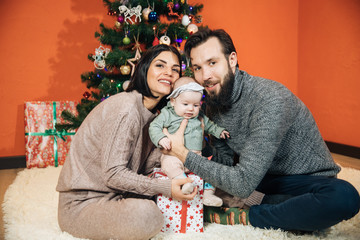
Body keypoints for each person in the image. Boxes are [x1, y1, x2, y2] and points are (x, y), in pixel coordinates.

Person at [161, 27, 360, 231]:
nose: (205, 76)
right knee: (214, 182)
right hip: (263, 179)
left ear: (232, 60)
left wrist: (183, 153)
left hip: (307, 180)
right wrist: (197, 147)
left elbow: (242, 183)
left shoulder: (269, 98)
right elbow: (227, 163)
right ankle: (280, 208)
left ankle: (248, 216)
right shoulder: (212, 103)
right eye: (197, 68)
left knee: (345, 197)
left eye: (212, 63)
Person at [56, 44, 197, 240]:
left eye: (175, 69)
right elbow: (113, 175)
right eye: (160, 66)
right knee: (147, 216)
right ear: (144, 69)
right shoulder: (127, 109)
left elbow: (148, 165)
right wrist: (165, 188)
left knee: (190, 189)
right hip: (83, 205)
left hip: (120, 195)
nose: (169, 73)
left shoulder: (157, 117)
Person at [149, 76, 229, 206]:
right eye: (185, 104)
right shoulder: (167, 114)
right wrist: (161, 138)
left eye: (196, 105)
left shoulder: (199, 116)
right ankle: (184, 182)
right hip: (174, 155)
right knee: (168, 164)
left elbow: (210, 125)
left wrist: (219, 131)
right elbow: (154, 126)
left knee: (211, 170)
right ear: (173, 101)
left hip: (196, 158)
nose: (191, 109)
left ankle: (208, 194)